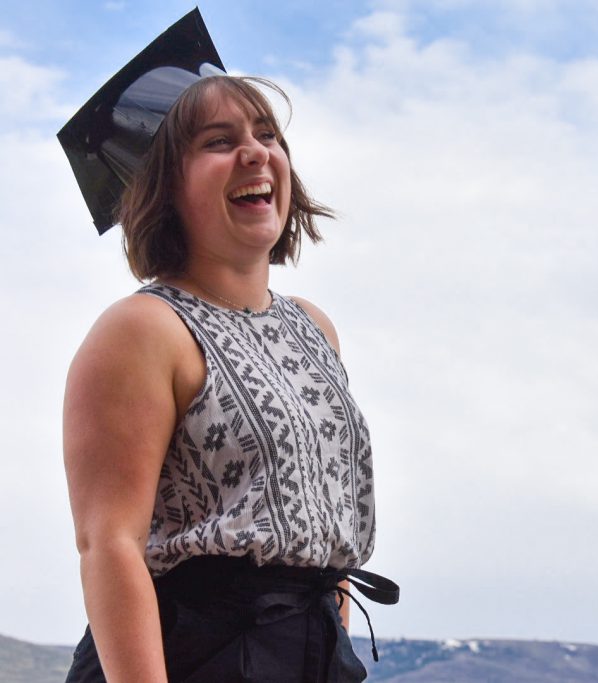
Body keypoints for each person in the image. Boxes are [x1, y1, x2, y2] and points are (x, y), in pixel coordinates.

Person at [59, 11, 396, 683]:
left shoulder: (313, 325)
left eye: (267, 134)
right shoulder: (143, 330)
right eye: (220, 140)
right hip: (191, 658)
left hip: (312, 654)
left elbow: (314, 527)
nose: (256, 152)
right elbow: (110, 543)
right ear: (163, 184)